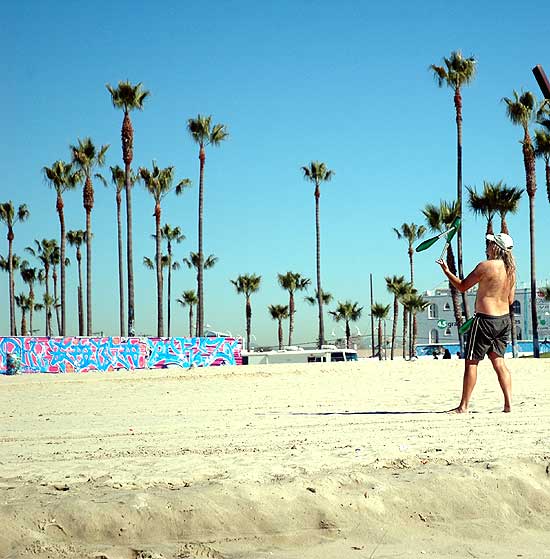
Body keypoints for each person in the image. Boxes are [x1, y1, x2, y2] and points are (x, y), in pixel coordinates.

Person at [436, 232, 515, 413]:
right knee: (499, 362)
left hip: (485, 320)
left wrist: (447, 271)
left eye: (490, 243)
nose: (487, 246)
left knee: (471, 362)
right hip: (503, 321)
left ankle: (463, 406)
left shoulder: (485, 266)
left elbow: (462, 286)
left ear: (496, 247)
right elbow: (510, 300)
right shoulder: (511, 270)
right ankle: (508, 404)